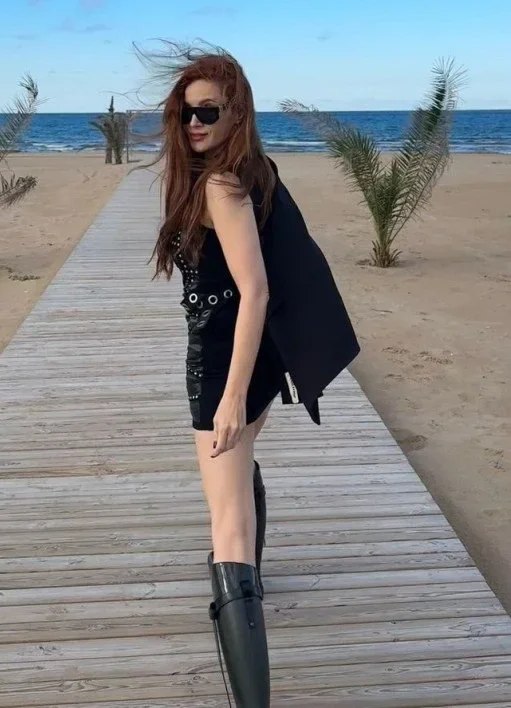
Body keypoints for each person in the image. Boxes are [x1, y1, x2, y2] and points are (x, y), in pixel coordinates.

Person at [145, 44, 360, 708]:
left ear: (236, 112)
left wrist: (231, 396)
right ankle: (253, 580)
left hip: (223, 364)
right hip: (252, 354)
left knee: (227, 528)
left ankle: (245, 618)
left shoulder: (222, 185)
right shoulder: (248, 171)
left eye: (208, 111)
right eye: (185, 113)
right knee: (237, 477)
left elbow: (256, 290)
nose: (194, 123)